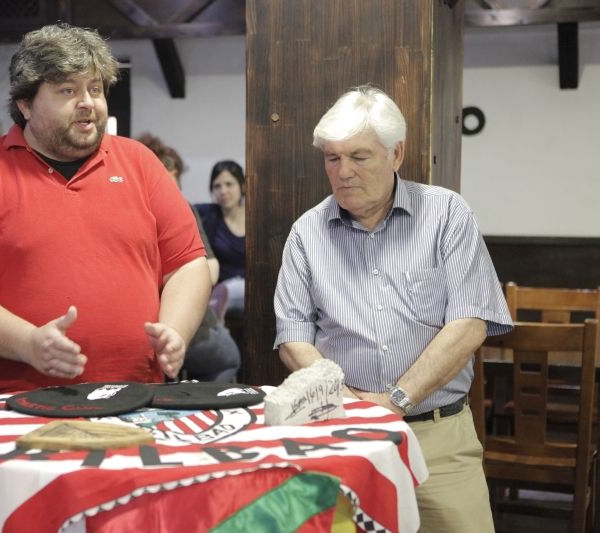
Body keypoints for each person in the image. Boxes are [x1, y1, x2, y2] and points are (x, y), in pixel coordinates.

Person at [0, 23, 211, 403]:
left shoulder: (141, 163)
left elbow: (188, 264)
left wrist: (175, 330)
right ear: (25, 104)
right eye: (67, 90)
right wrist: (27, 343)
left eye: (95, 89)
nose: (87, 102)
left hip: (138, 398)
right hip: (13, 404)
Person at [273, 85, 513, 533]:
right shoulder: (306, 233)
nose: (342, 171)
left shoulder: (447, 215)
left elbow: (469, 323)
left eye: (359, 157)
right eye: (332, 158)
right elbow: (293, 338)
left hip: (437, 438)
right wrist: (353, 405)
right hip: (339, 436)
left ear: (396, 154)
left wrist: (395, 401)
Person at [137, 133, 241, 382]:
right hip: (164, 324)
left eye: (229, 184)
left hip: (139, 322)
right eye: (218, 185)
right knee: (229, 357)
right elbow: (208, 268)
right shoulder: (179, 206)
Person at [195, 160, 245, 313]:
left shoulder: (256, 216)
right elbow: (182, 208)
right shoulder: (207, 214)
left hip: (251, 289)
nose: (223, 191)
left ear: (242, 186)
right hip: (218, 290)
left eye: (229, 184)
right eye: (217, 186)